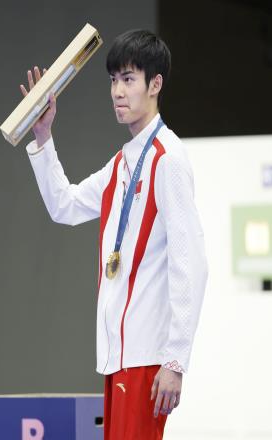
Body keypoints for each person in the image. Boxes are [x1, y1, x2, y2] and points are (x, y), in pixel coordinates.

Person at [20, 29, 207, 439]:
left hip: (147, 357)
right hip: (117, 357)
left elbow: (191, 262)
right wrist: (43, 136)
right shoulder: (122, 163)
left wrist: (175, 360)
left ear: (155, 84)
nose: (117, 91)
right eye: (113, 80)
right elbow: (64, 206)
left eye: (129, 79)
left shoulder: (167, 158)